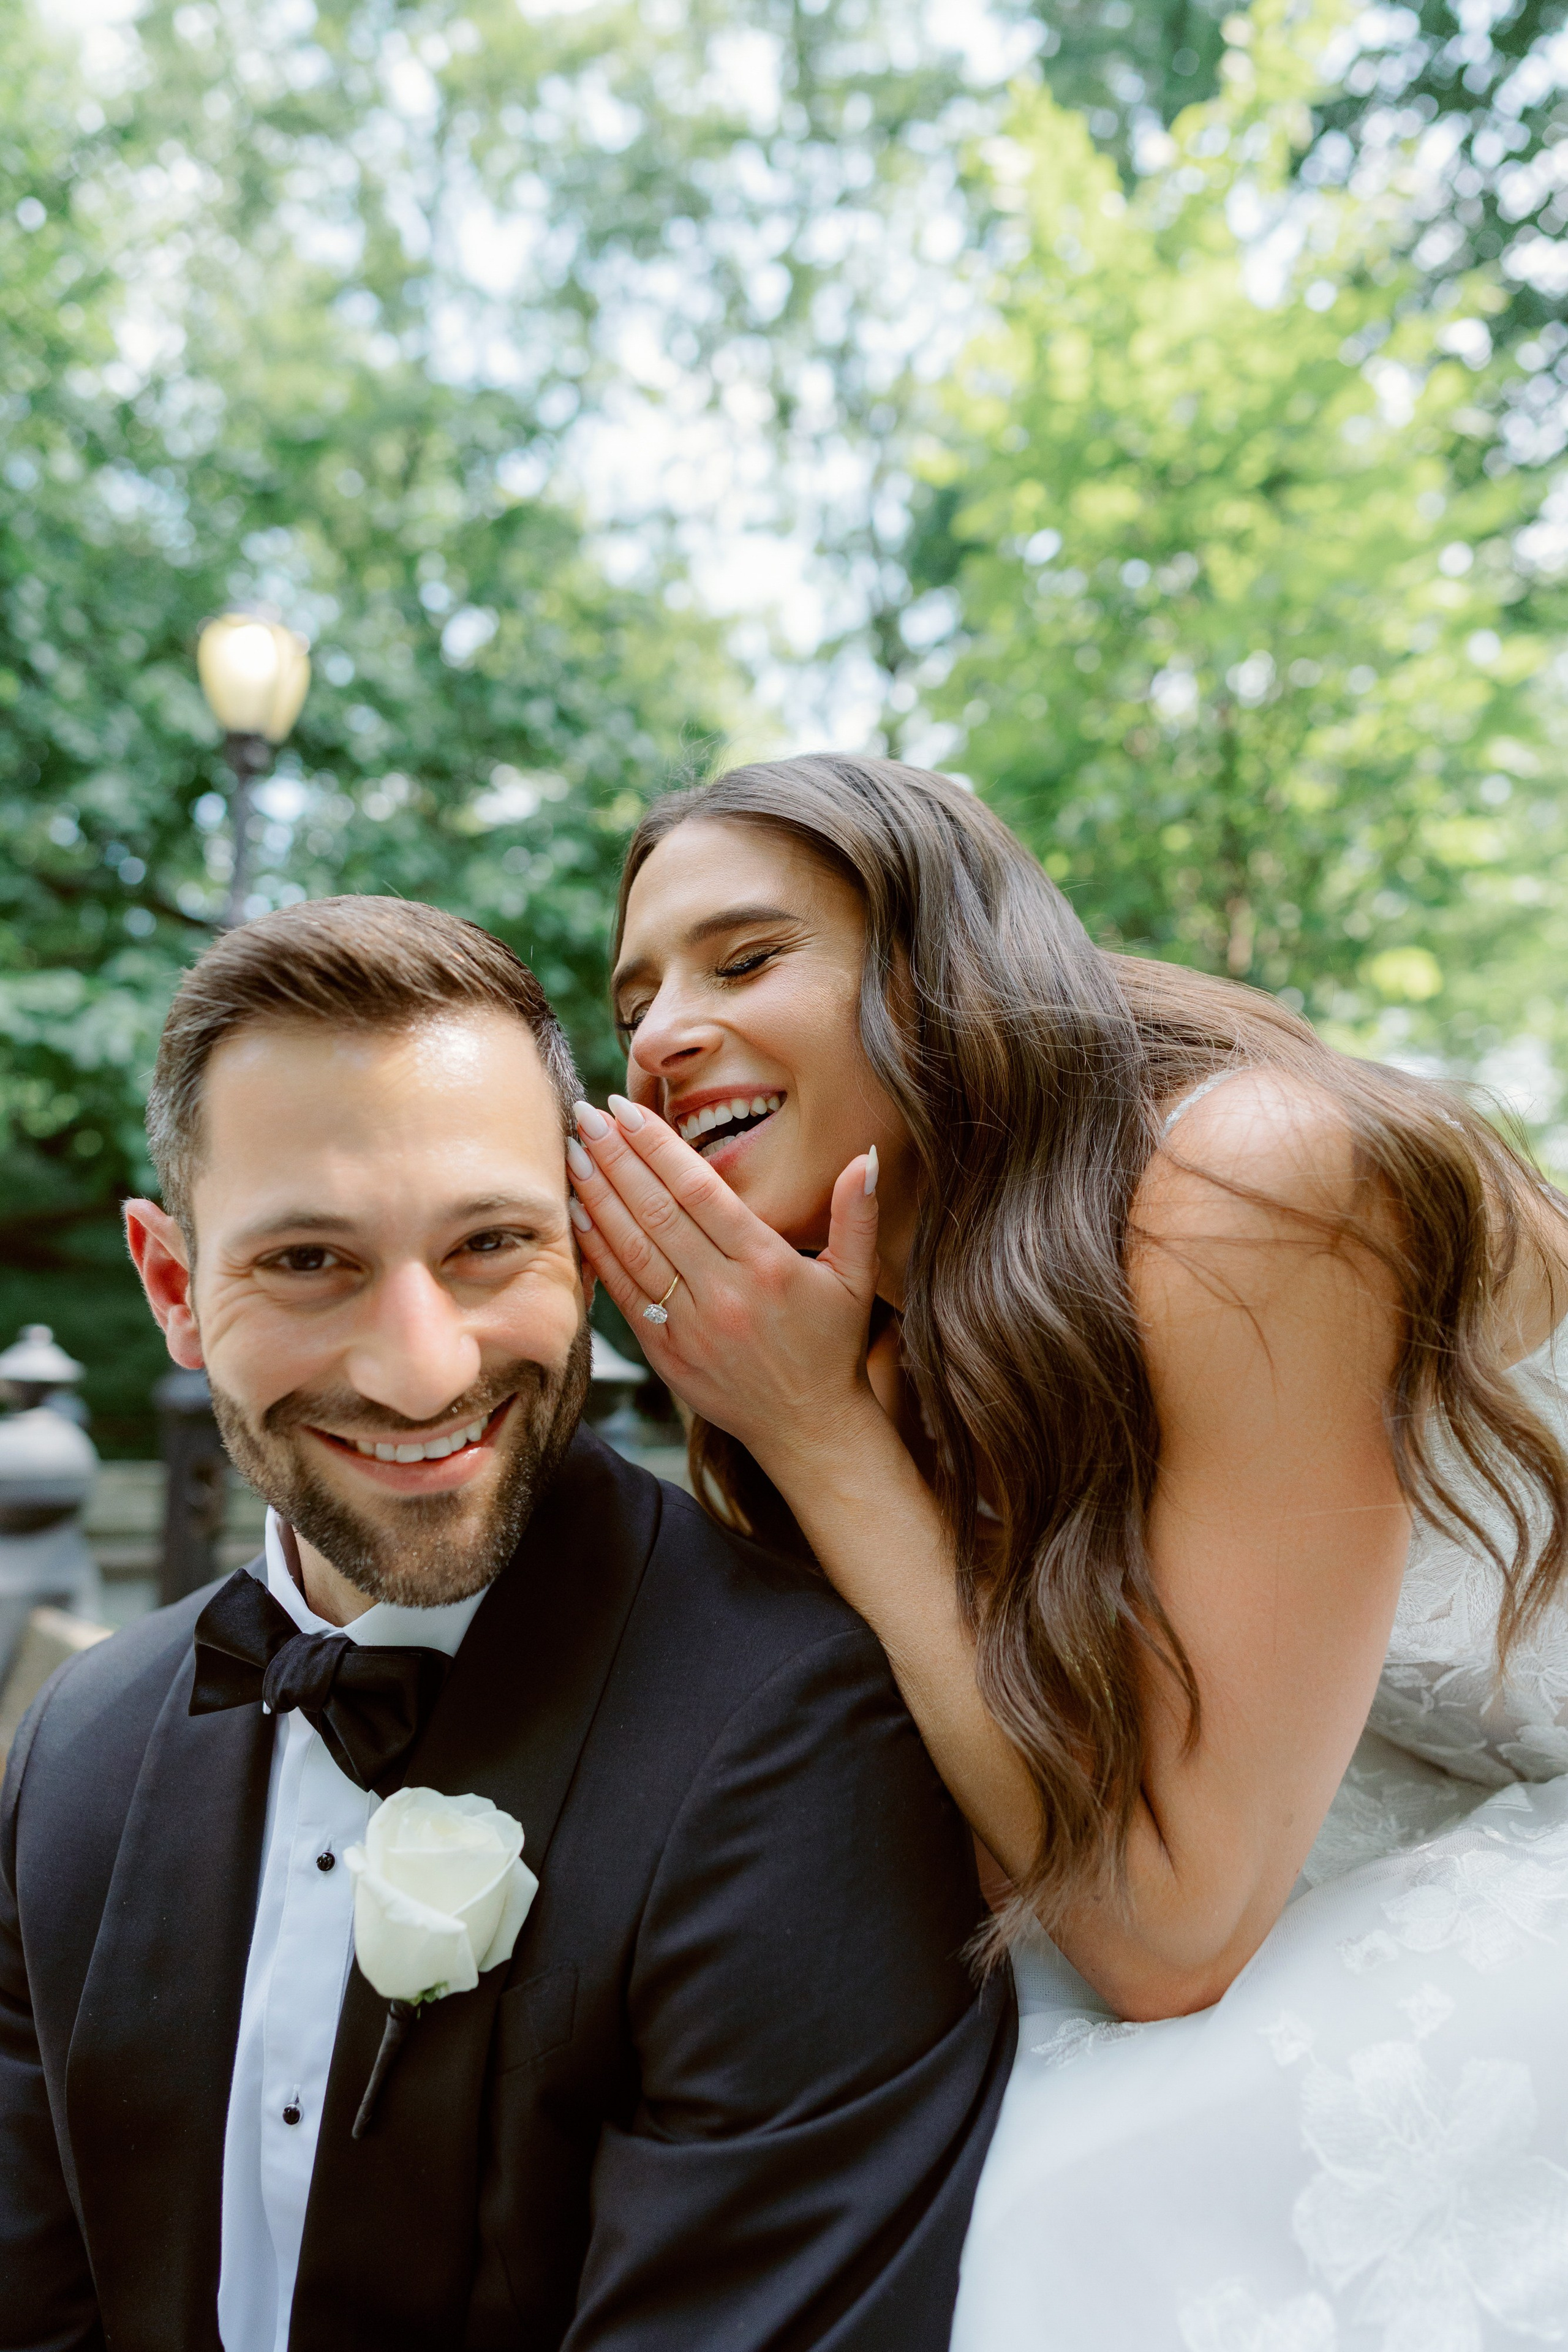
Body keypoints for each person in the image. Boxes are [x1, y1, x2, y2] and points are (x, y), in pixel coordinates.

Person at [565, 753, 1568, 2348]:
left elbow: (1171, 1937)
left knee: (1065, 2215)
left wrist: (822, 1438)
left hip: (1458, 1857)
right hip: (1286, 1847)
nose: (662, 1035)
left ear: (940, 969)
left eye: (744, 961)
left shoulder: (1245, 1180)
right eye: (636, 1001)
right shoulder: (881, 1325)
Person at [0, 894, 1013, 2352]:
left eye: (489, 1244)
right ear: (174, 1286)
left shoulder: (804, 1740)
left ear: (585, 1251)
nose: (420, 1373)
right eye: (309, 1262)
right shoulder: (77, 1746)